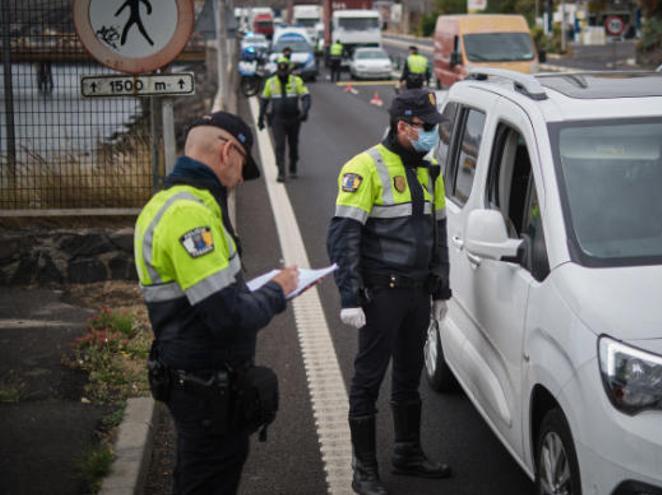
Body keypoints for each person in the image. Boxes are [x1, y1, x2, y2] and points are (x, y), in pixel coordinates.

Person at [134, 111, 300, 494]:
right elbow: (228, 317)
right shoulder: (190, 215)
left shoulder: (168, 202)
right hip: (205, 386)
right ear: (227, 151)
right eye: (243, 164)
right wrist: (279, 289)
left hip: (194, 378)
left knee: (195, 476)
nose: (242, 178)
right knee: (208, 480)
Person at [327, 88, 453, 495]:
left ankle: (407, 453)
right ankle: (363, 469)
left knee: (409, 376)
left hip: (417, 293)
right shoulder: (365, 167)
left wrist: (442, 286)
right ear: (402, 126)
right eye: (426, 127)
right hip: (381, 293)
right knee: (368, 380)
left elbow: (438, 233)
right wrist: (349, 294)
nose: (433, 133)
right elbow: (343, 235)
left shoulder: (428, 169)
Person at [257, 56, 311, 181]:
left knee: (293, 144)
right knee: (280, 145)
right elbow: (264, 101)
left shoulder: (296, 81)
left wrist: (305, 110)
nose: (283, 75)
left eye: (285, 72)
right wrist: (260, 118)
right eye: (281, 72)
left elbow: (306, 97)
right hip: (278, 119)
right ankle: (281, 172)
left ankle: (293, 167)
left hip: (294, 118)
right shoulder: (270, 82)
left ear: (289, 70)